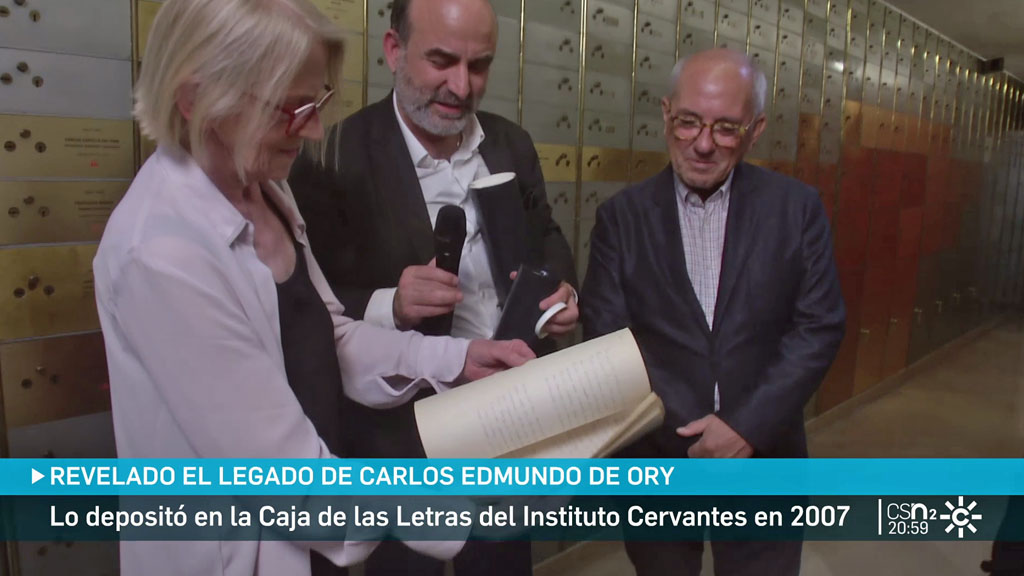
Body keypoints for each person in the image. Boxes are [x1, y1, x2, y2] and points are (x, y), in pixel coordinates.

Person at [92, 1, 534, 575]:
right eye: (291, 108)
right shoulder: (161, 254)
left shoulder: (263, 186)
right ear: (197, 99)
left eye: (316, 102)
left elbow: (329, 336)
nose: (316, 129)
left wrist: (457, 360)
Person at [289, 0, 577, 573]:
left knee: (502, 561)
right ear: (394, 50)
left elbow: (546, 234)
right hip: (402, 436)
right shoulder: (334, 155)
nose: (461, 86)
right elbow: (307, 307)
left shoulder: (512, 144)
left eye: (479, 65)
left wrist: (561, 289)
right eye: (441, 61)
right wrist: (389, 304)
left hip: (509, 421)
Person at [580, 48, 846, 576]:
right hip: (657, 460)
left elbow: (819, 326)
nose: (703, 144)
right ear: (665, 114)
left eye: (726, 128)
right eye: (688, 122)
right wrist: (692, 431)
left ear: (756, 129)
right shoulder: (620, 218)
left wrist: (742, 427)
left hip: (765, 454)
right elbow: (608, 336)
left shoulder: (797, 209)